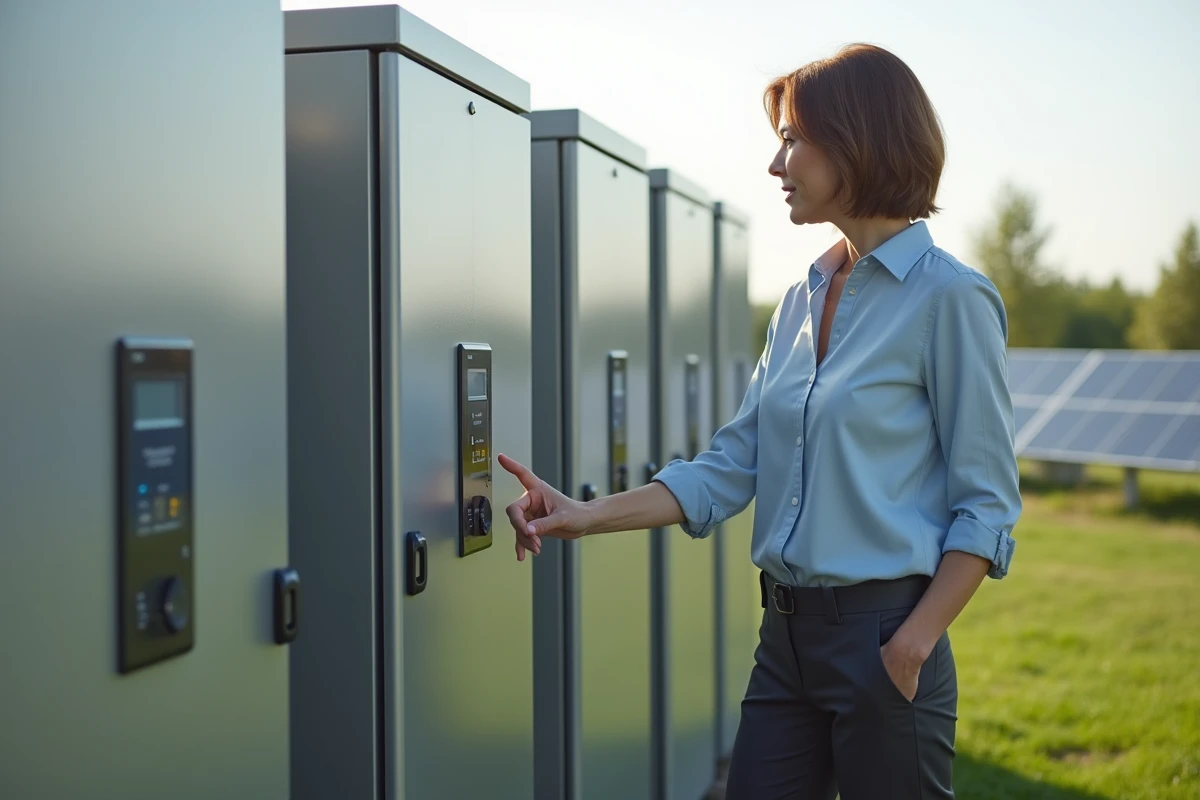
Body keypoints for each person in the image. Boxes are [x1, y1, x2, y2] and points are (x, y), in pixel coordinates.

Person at [498, 42, 1021, 800]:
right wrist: (584, 515)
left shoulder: (952, 300)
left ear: (858, 141)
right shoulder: (800, 300)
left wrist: (912, 643)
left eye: (791, 142)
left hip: (884, 641)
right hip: (784, 643)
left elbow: (988, 503)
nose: (777, 166)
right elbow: (731, 464)